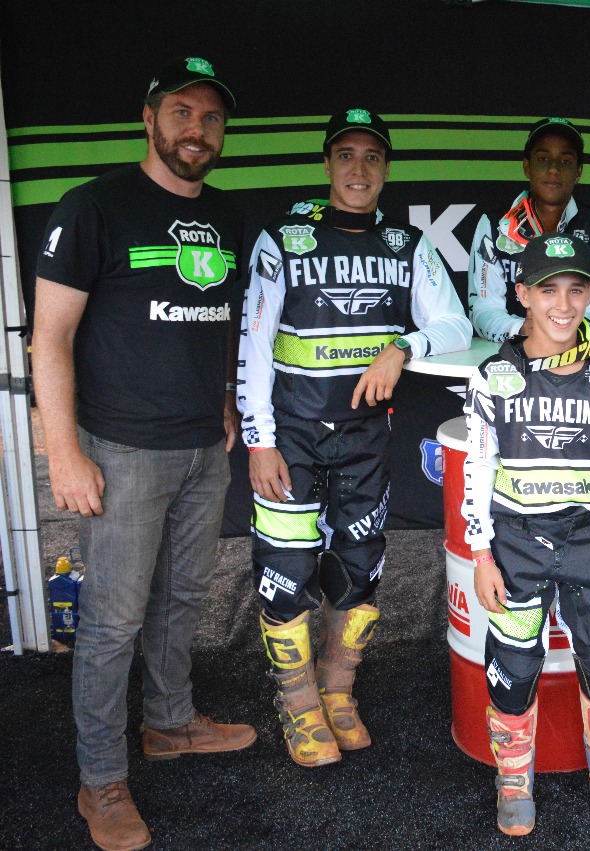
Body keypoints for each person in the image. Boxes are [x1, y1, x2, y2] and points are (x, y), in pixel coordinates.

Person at [31, 57, 255, 851]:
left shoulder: (225, 216)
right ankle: (100, 777)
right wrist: (62, 449)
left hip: (202, 447)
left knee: (181, 597)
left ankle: (168, 721)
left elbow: (218, 317)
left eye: (211, 117)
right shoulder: (94, 206)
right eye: (182, 112)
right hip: (121, 451)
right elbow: (49, 337)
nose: (197, 129)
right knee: (113, 621)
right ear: (149, 117)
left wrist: (223, 397)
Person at [238, 108, 471, 767]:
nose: (358, 169)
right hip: (292, 436)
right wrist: (259, 439)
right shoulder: (285, 239)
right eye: (346, 155)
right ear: (327, 164)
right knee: (285, 572)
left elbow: (454, 324)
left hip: (365, 438)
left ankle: (337, 690)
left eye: (372, 157)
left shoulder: (406, 245)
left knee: (360, 566)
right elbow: (254, 344)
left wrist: (404, 346)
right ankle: (297, 701)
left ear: (387, 168)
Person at [462, 233, 590, 835]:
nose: (562, 305)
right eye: (547, 290)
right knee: (512, 663)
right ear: (522, 295)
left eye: (575, 289)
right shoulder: (494, 374)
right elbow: (477, 468)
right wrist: (481, 554)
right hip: (515, 543)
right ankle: (513, 776)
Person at [468, 117, 590, 341]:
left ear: (578, 171)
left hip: (577, 351)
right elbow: (482, 309)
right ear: (527, 167)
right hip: (509, 352)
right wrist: (520, 329)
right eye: (543, 159)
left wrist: (560, 330)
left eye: (565, 161)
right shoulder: (493, 225)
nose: (553, 169)